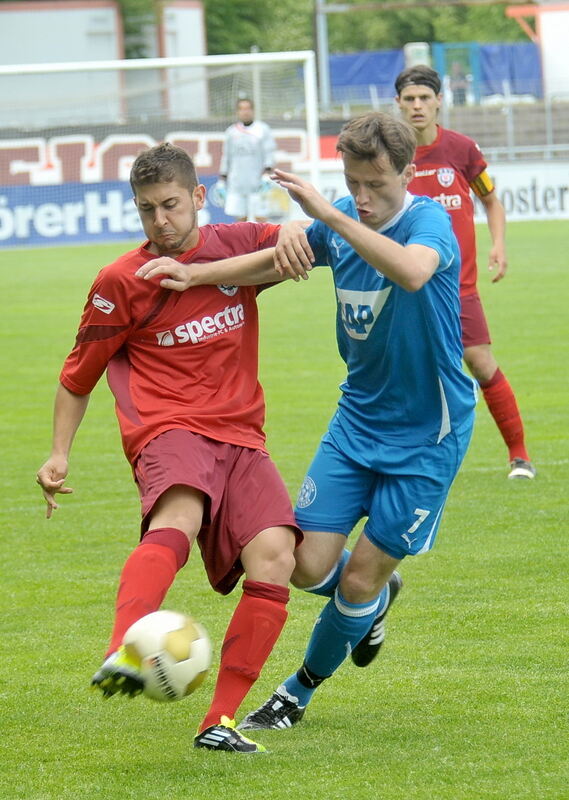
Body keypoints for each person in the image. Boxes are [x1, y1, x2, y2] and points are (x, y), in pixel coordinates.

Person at [137, 112, 477, 731]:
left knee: (360, 578)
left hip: (429, 434)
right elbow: (272, 263)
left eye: (377, 185)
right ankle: (373, 602)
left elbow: (412, 271)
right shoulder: (343, 218)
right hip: (356, 423)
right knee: (306, 566)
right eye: (353, 182)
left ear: (407, 171)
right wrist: (197, 274)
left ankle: (296, 691)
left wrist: (330, 212)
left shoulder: (428, 222)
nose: (364, 197)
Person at [35, 142, 304, 754]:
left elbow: (300, 240)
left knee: (277, 558)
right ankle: (123, 649)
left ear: (199, 198)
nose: (161, 221)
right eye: (147, 209)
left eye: (172, 205)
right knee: (178, 516)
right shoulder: (118, 282)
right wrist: (59, 453)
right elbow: (79, 376)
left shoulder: (235, 245)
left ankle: (220, 722)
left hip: (242, 434)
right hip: (168, 428)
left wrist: (291, 224)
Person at [395, 64, 535, 480]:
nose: (417, 106)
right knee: (407, 374)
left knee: (481, 362)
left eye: (424, 98)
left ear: (439, 101)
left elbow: (491, 200)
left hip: (458, 289)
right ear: (399, 104)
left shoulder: (461, 150)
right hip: (408, 286)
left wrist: (499, 243)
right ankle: (407, 462)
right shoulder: (393, 157)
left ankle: (519, 454)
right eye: (409, 99)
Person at [217, 97, 276, 222]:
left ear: (253, 110)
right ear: (237, 112)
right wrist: (222, 180)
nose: (245, 112)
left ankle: (262, 242)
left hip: (258, 182)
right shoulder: (231, 132)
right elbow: (226, 156)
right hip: (237, 182)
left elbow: (269, 153)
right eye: (242, 109)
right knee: (240, 219)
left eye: (248, 108)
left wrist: (267, 174)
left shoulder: (262, 130)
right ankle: (243, 242)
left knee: (261, 218)